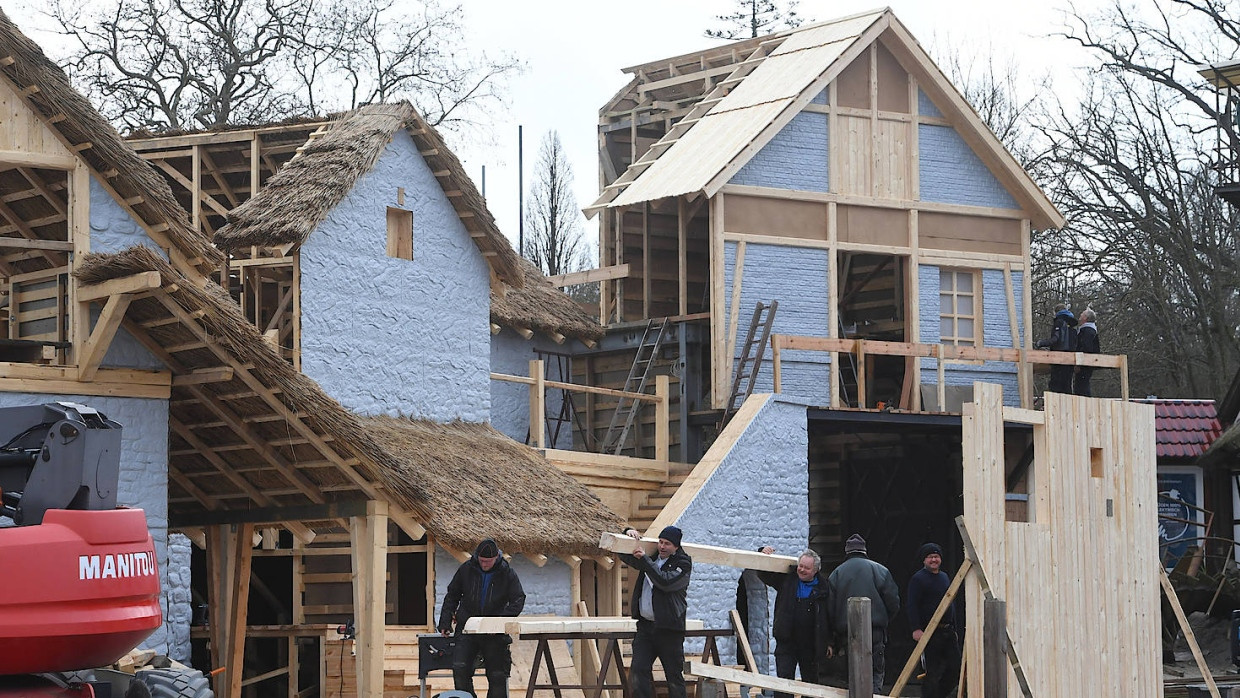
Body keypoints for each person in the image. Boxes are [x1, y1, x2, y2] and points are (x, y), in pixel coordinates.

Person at [437, 538, 526, 698]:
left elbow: (518, 599)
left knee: (497, 674)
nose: (484, 564)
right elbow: (452, 596)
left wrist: (499, 622)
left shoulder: (507, 573)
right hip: (467, 628)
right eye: (482, 561)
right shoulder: (466, 569)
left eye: (488, 561)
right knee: (460, 668)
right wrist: (445, 621)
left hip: (494, 633)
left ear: (496, 558)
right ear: (477, 556)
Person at [619, 525, 693, 698]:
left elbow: (665, 582)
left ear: (676, 547)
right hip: (646, 627)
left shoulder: (683, 563)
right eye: (660, 542)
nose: (662, 546)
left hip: (669, 629)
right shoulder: (652, 557)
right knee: (638, 671)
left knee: (673, 676)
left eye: (667, 543)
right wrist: (627, 534)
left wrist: (645, 560)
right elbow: (624, 555)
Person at [825, 534, 900, 690]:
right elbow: (893, 603)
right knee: (875, 675)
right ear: (864, 550)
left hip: (847, 634)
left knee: (852, 678)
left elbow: (829, 610)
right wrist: (883, 620)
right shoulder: (881, 571)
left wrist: (833, 637)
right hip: (875, 632)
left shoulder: (836, 574)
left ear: (847, 551)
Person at [757, 545, 832, 697]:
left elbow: (829, 617)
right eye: (800, 566)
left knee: (810, 686)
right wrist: (762, 553)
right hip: (786, 641)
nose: (802, 570)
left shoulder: (824, 588)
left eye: (806, 568)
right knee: (784, 684)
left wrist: (830, 642)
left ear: (815, 570)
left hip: (810, 644)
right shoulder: (787, 580)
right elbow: (764, 574)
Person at [907, 543, 961, 698]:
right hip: (930, 633)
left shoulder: (944, 577)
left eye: (936, 556)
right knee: (932, 672)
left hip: (948, 631)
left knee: (955, 667)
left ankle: (939, 695)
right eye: (930, 557)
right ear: (924, 560)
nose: (934, 560)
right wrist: (916, 628)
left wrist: (955, 629)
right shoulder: (918, 579)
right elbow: (912, 605)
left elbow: (951, 604)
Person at [1035, 303, 1078, 394]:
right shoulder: (1072, 323)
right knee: (1067, 385)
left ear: (1056, 312)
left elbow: (1056, 339)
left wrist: (1041, 343)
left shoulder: (1059, 321)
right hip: (1070, 358)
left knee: (1056, 385)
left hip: (1059, 358)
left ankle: (1055, 406)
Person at [1074, 308, 1100, 396]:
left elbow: (1086, 348)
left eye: (1082, 314)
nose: (1080, 316)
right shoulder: (1089, 330)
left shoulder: (1087, 331)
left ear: (1085, 318)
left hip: (1085, 363)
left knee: (1081, 386)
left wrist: (1079, 364)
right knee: (1081, 385)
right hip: (1087, 363)